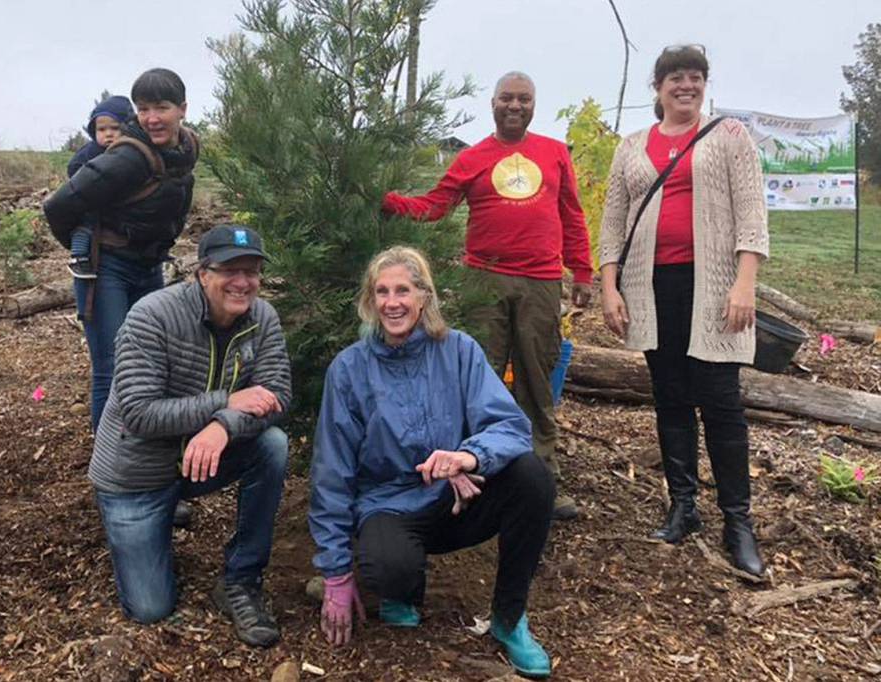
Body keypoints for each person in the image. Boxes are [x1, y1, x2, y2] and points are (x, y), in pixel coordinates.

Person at [309, 246, 557, 678]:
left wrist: (469, 455)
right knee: (388, 566)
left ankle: (509, 617)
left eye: (403, 290)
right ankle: (401, 590)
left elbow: (511, 428)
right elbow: (332, 472)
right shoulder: (349, 370)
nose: (392, 303)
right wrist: (334, 575)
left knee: (532, 477)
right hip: (389, 506)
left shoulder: (458, 350)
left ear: (424, 297)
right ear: (370, 302)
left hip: (456, 497)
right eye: (381, 292)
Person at [381, 71, 593, 521]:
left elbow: (572, 214)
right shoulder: (473, 158)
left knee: (537, 379)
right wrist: (390, 201)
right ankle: (480, 472)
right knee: (482, 380)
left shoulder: (554, 154)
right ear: (492, 103)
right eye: (506, 99)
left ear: (533, 105)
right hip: (485, 281)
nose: (514, 106)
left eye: (523, 99)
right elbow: (436, 206)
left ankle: (541, 477)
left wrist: (583, 271)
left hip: (540, 282)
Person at [599, 45, 769, 576]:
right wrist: (610, 286)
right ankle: (683, 506)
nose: (686, 86)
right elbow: (612, 222)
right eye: (676, 77)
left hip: (714, 287)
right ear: (659, 86)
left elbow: (752, 215)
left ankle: (737, 521)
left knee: (720, 401)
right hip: (652, 287)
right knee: (670, 397)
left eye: (695, 77)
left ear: (704, 85)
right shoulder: (630, 146)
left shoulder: (730, 138)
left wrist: (745, 283)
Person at [87, 224, 291, 647]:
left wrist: (222, 426)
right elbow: (138, 413)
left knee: (272, 446)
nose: (243, 282)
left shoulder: (263, 318)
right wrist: (227, 402)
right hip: (136, 473)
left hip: (201, 458)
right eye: (229, 270)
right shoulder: (152, 315)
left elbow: (278, 397)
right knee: (150, 608)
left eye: (252, 271)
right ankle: (147, 524)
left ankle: (240, 579)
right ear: (202, 273)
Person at [44, 68, 199, 436]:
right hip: (107, 270)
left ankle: (142, 445)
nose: (152, 118)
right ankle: (108, 462)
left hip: (149, 266)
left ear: (183, 110)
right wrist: (87, 247)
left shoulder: (187, 147)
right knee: (112, 367)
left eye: (161, 108)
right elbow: (58, 206)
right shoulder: (127, 158)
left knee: (152, 360)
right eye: (143, 109)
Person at [65, 95, 135, 279]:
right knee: (86, 223)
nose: (108, 134)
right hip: (91, 195)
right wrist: (88, 185)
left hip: (119, 202)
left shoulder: (132, 151)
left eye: (115, 128)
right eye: (102, 129)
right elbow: (73, 168)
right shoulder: (92, 151)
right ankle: (79, 257)